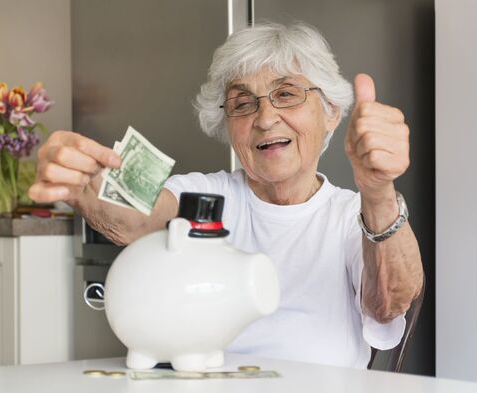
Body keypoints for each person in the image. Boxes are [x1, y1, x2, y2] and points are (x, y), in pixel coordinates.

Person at [29, 22, 424, 368]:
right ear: (227, 125)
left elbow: (389, 303)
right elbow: (137, 217)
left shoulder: (351, 214)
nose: (265, 118)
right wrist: (82, 182)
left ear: (331, 112)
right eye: (242, 103)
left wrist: (377, 193)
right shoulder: (207, 194)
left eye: (286, 94)